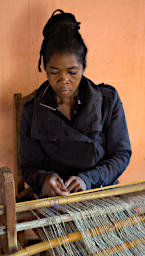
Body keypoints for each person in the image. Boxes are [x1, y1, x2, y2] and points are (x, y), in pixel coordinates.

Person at [20, 9, 131, 198]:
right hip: (55, 198)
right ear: (44, 68)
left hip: (99, 191)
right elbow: (29, 166)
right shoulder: (32, 110)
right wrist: (45, 179)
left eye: (72, 72)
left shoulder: (107, 100)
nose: (64, 80)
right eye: (54, 72)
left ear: (83, 66)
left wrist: (88, 179)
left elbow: (121, 154)